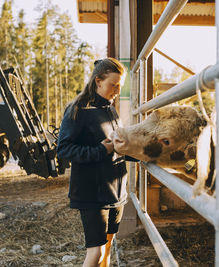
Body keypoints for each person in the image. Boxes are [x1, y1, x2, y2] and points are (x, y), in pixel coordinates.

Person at [57, 57, 128, 267]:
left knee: (108, 246)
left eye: (119, 86)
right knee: (95, 253)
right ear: (98, 80)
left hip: (116, 191)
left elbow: (116, 145)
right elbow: (64, 149)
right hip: (91, 192)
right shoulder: (79, 110)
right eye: (112, 85)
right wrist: (100, 150)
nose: (116, 90)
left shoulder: (111, 110)